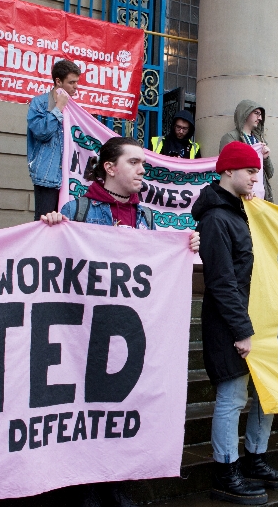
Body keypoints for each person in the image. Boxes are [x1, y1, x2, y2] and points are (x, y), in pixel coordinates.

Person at [40, 137, 198, 507]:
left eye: (143, 163)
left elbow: (155, 269)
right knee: (85, 409)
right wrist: (50, 225)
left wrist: (183, 246)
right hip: (83, 332)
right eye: (135, 163)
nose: (143, 169)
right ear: (110, 167)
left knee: (120, 408)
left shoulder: (145, 217)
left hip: (127, 332)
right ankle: (86, 487)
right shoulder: (77, 209)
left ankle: (116, 483)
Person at [194, 141, 278, 504]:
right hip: (230, 323)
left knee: (266, 395)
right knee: (232, 397)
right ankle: (226, 469)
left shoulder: (243, 213)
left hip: (259, 319)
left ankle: (255, 459)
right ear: (228, 172)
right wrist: (242, 331)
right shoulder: (216, 219)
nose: (256, 177)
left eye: (257, 170)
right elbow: (221, 282)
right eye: (250, 171)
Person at [27, 59, 83, 219]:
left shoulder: (75, 107)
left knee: (66, 224)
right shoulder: (39, 103)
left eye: (77, 82)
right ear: (58, 81)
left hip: (70, 177)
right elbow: (41, 132)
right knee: (45, 224)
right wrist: (58, 108)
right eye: (71, 82)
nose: (76, 87)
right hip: (47, 176)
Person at [220, 100, 274, 202]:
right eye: (256, 113)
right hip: (240, 198)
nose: (260, 118)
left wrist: (266, 158)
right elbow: (226, 169)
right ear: (245, 113)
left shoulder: (260, 140)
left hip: (260, 198)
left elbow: (270, 173)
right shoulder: (231, 138)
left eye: (261, 115)